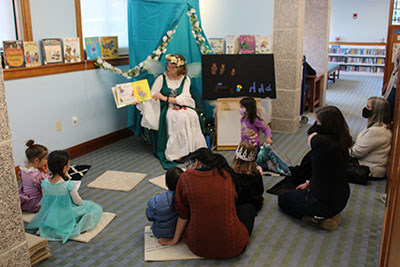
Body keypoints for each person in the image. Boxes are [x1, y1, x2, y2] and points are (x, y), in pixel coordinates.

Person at [158, 148, 249, 259]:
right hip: (233, 248)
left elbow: (183, 214)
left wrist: (174, 240)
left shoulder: (186, 177)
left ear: (196, 162)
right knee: (248, 209)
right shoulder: (226, 174)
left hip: (199, 248)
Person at [278, 106, 353, 231]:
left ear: (326, 125)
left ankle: (317, 219)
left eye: (317, 122)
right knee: (297, 193)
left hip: (322, 201)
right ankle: (331, 214)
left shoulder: (319, 142)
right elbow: (326, 172)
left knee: (283, 199)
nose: (315, 125)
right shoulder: (343, 140)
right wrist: (308, 183)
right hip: (341, 199)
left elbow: (310, 135)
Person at [137, 54, 207, 168]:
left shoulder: (185, 79)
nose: (168, 68)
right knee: (178, 118)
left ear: (179, 68)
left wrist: (166, 98)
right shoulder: (161, 78)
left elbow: (185, 98)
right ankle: (177, 153)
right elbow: (152, 95)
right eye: (167, 66)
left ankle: (192, 149)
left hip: (181, 106)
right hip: (166, 108)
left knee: (192, 115)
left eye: (172, 67)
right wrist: (140, 101)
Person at [27, 150, 102, 243]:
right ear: (65, 167)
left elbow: (46, 199)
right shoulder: (68, 184)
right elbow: (78, 201)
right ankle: (79, 228)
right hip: (67, 213)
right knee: (93, 207)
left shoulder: (44, 183)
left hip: (50, 212)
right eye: (68, 164)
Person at [350, 96, 392, 179]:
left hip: (368, 169)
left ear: (376, 112)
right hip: (366, 162)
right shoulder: (377, 127)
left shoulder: (377, 131)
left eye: (368, 107)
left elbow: (356, 153)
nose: (365, 109)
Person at [146, 166, 183, 238]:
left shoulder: (155, 201)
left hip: (161, 233)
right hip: (182, 232)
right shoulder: (188, 197)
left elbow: (150, 217)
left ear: (166, 183)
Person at [231, 142, 264, 214]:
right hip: (253, 205)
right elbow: (260, 190)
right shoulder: (256, 174)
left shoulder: (231, 174)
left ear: (236, 156)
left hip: (236, 205)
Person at [19, 140, 50, 213]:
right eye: (45, 158)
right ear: (36, 160)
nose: (46, 161)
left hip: (25, 197)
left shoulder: (23, 169)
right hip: (34, 202)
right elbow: (48, 187)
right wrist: (46, 173)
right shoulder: (37, 176)